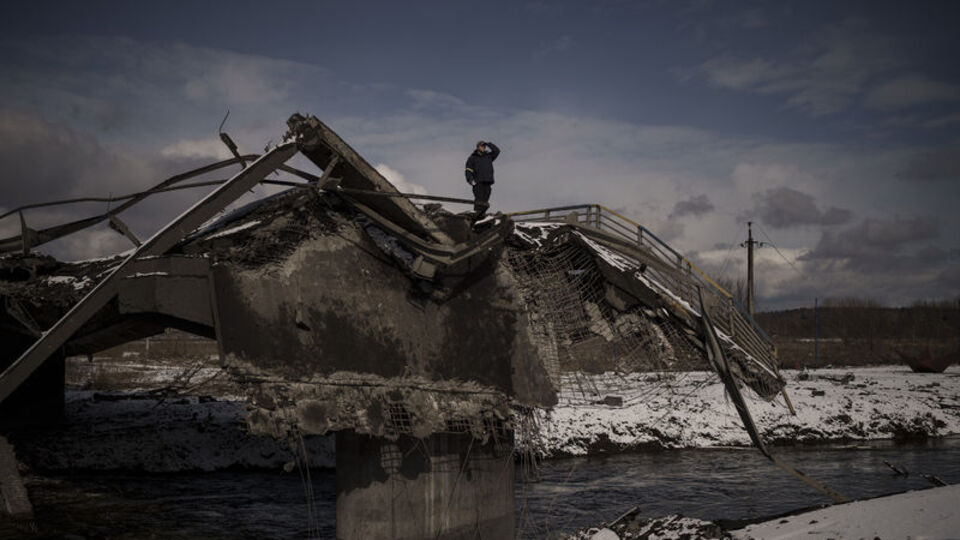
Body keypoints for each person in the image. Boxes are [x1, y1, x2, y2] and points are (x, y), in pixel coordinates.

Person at [464, 140, 500, 216]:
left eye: (484, 146)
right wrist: (470, 180)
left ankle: (481, 216)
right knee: (479, 201)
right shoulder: (472, 158)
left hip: (488, 182)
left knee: (485, 202)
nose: (483, 147)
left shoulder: (488, 156)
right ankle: (476, 216)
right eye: (482, 146)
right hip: (478, 183)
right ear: (478, 147)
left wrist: (488, 144)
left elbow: (497, 151)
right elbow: (468, 170)